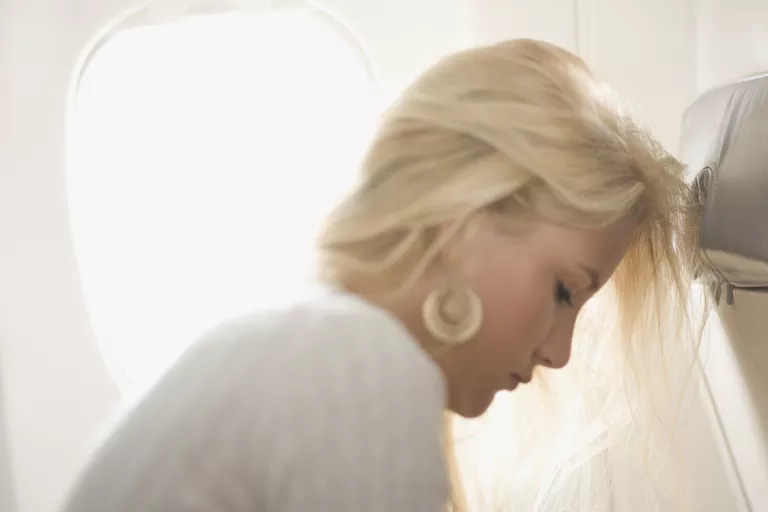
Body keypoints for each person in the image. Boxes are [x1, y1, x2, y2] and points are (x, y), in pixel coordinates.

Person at [60, 39, 706, 512]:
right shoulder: (359, 364)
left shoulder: (313, 337)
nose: (559, 353)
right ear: (465, 221)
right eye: (565, 290)